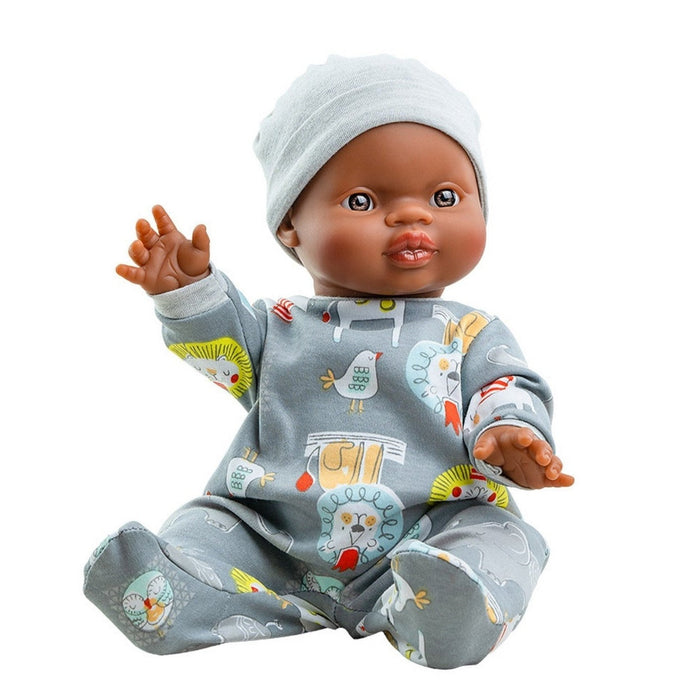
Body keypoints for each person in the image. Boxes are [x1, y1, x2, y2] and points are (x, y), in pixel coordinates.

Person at [84, 55, 573, 669]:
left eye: (444, 196)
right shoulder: (276, 326)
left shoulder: (470, 332)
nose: (413, 215)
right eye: (363, 200)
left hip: (426, 534)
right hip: (274, 534)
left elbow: (506, 385)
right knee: (205, 525)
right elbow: (220, 349)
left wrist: (509, 432)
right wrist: (191, 292)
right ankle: (174, 589)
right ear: (291, 224)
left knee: (500, 536)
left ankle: (447, 610)